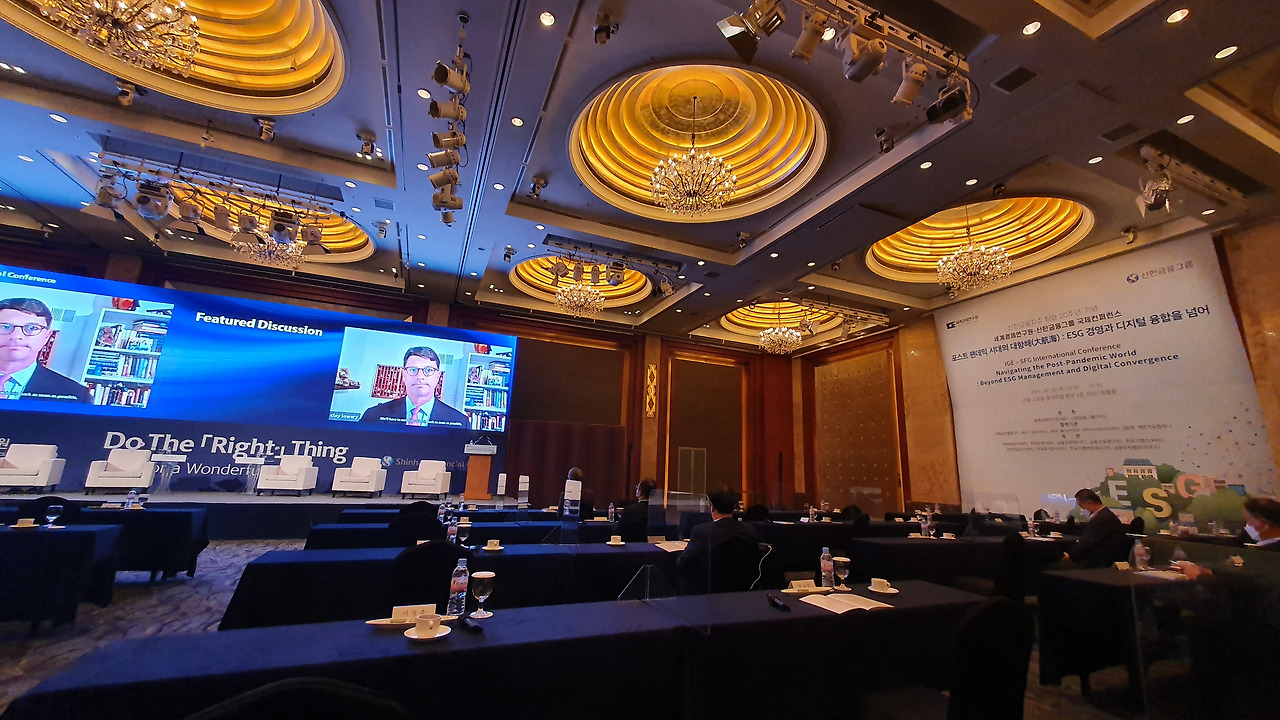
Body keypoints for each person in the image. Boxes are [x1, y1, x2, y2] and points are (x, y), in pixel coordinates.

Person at [0, 297, 88, 402]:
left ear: (47, 337)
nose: (16, 336)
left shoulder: (76, 394)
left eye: (32, 328)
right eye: (4, 327)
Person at [676, 489, 760, 594]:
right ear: (733, 507)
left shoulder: (702, 531)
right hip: (742, 591)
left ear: (711, 506)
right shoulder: (749, 530)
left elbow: (682, 565)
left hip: (706, 592)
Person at [360, 346, 468, 428]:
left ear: (438, 376)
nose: (420, 377)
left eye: (429, 370)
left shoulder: (460, 422)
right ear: (404, 375)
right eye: (413, 369)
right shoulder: (374, 415)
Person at [1063, 488, 1129, 568]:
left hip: (1099, 563)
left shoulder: (1102, 519)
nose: (1083, 510)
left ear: (1089, 503)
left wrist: (1071, 556)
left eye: (1082, 506)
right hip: (1102, 559)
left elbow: (1087, 542)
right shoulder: (1106, 515)